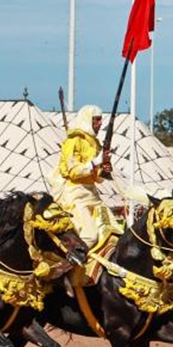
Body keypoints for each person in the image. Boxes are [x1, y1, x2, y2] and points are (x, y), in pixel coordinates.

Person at [50, 105, 116, 250]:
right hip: (75, 195)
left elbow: (97, 177)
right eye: (97, 120)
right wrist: (95, 162)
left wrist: (104, 167)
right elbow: (72, 171)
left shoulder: (96, 144)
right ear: (88, 120)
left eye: (100, 120)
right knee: (90, 237)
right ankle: (70, 269)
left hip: (92, 194)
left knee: (114, 231)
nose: (100, 124)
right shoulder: (73, 140)